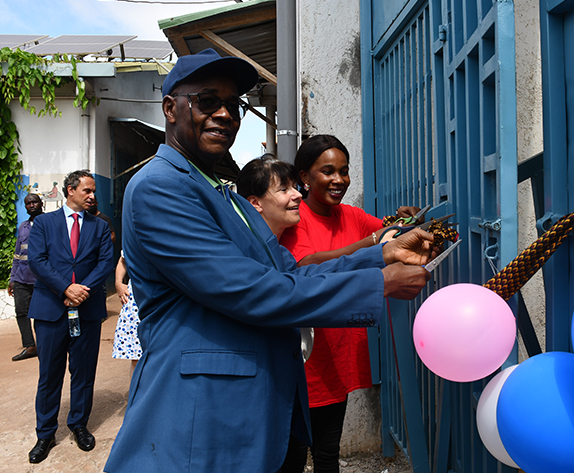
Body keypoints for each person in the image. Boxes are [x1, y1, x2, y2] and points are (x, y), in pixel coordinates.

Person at [103, 48, 433, 473]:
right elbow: (251, 290)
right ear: (170, 108)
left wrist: (380, 255)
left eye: (233, 105)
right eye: (207, 101)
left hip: (248, 406)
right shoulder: (160, 188)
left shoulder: (222, 193)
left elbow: (289, 273)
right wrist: (380, 283)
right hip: (200, 419)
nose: (224, 114)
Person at [279, 135, 416, 473]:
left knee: (328, 452)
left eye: (344, 171)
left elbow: (387, 233)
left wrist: (404, 222)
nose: (339, 180)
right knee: (292, 455)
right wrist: (373, 244)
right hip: (303, 357)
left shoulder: (351, 216)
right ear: (304, 177)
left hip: (337, 353)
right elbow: (306, 266)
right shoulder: (294, 219)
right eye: (327, 171)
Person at [26, 170, 114, 464]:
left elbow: (105, 262)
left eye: (93, 192)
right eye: (87, 190)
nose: (92, 196)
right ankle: (45, 433)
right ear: (70, 190)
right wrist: (65, 288)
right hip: (51, 310)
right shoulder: (44, 223)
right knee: (49, 375)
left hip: (86, 310)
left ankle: (79, 424)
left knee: (83, 371)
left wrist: (81, 290)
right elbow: (37, 261)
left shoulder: (99, 227)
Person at [8, 193, 43, 361]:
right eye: (28, 203)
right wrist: (12, 278)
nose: (31, 205)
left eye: (34, 202)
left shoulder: (49, 222)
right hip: (22, 278)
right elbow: (17, 255)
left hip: (41, 279)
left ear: (41, 203)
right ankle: (30, 346)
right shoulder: (23, 226)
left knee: (42, 314)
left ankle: (45, 345)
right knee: (21, 312)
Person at [111, 252, 140, 377]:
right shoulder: (137, 234)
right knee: (137, 357)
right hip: (136, 302)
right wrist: (118, 283)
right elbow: (122, 260)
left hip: (164, 298)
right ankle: (136, 395)